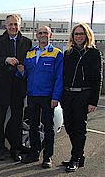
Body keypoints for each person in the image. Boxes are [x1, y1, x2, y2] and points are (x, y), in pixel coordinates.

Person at [17, 26, 63, 168]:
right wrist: (20, 71)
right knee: (33, 127)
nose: (42, 35)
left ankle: (48, 157)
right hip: (32, 95)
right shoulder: (30, 53)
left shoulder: (56, 53)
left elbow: (59, 77)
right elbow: (26, 74)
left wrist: (56, 97)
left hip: (47, 96)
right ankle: (34, 153)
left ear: (50, 35)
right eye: (40, 33)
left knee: (48, 128)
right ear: (36, 35)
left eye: (45, 33)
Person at [0, 14, 32, 161]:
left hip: (18, 87)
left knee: (17, 121)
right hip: (1, 86)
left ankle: (16, 149)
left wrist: (23, 70)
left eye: (16, 24)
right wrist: (6, 60)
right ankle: (0, 149)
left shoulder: (27, 42)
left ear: (20, 25)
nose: (13, 27)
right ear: (5, 26)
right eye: (10, 25)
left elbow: (30, 63)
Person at [61, 23, 102, 172]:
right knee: (69, 126)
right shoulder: (68, 53)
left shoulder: (94, 53)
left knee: (79, 128)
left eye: (81, 34)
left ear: (87, 36)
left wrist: (93, 101)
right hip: (68, 95)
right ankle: (79, 154)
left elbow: (97, 79)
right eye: (76, 34)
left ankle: (75, 158)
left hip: (83, 95)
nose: (78, 36)